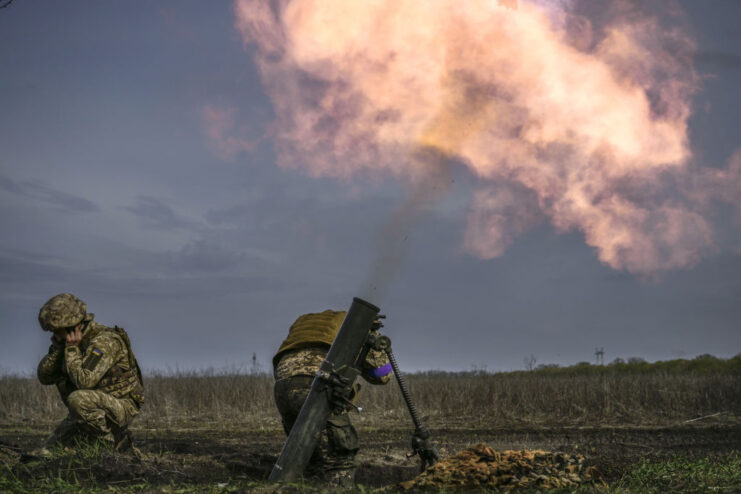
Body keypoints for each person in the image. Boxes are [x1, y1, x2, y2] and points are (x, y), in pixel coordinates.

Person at [273, 309, 392, 487]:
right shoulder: (355, 328)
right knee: (339, 462)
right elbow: (382, 375)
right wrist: (380, 346)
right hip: (318, 385)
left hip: (283, 384)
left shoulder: (308, 326)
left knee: (307, 457)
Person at [35, 293, 144, 455]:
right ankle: (89, 439)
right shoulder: (68, 343)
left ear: (72, 326)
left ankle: (109, 445)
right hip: (91, 409)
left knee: (78, 399)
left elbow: (84, 381)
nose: (54, 336)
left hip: (120, 406)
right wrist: (58, 350)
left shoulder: (105, 341)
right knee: (48, 453)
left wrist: (71, 349)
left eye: (57, 331)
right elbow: (44, 377)